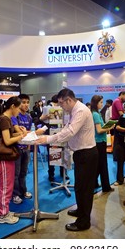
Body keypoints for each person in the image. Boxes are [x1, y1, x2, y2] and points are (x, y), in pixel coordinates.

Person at [36, 88, 98, 231]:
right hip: (81, 153)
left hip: (87, 154)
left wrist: (49, 139)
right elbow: (67, 129)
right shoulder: (74, 111)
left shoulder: (80, 111)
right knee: (79, 187)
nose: (60, 107)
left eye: (61, 103)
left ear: (69, 100)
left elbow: (69, 132)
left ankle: (84, 222)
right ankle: (81, 211)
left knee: (85, 189)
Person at [0, 96, 26, 224]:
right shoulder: (5, 119)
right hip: (3, 157)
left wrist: (20, 133)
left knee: (5, 184)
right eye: (18, 107)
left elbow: (8, 135)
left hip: (5, 157)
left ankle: (3, 210)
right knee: (6, 186)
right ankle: (2, 214)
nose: (19, 110)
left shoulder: (5, 118)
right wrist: (22, 136)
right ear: (13, 106)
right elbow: (7, 141)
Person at [11, 94, 44, 204]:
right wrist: (35, 132)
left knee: (24, 172)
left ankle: (23, 191)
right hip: (16, 149)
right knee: (16, 173)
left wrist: (28, 148)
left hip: (26, 149)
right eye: (23, 102)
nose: (25, 104)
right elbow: (19, 133)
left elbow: (28, 134)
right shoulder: (15, 116)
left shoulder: (29, 117)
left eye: (27, 102)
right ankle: (15, 194)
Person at [40, 94, 69, 181]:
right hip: (51, 133)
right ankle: (51, 174)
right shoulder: (47, 108)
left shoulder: (64, 108)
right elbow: (42, 120)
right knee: (52, 153)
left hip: (62, 132)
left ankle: (63, 172)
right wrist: (46, 117)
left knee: (63, 153)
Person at [90, 95, 114, 192]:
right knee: (102, 165)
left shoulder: (97, 113)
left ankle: (96, 184)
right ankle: (105, 187)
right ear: (96, 103)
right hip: (99, 142)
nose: (102, 104)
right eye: (100, 102)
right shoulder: (95, 114)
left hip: (100, 142)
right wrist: (110, 128)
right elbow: (99, 130)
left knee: (100, 165)